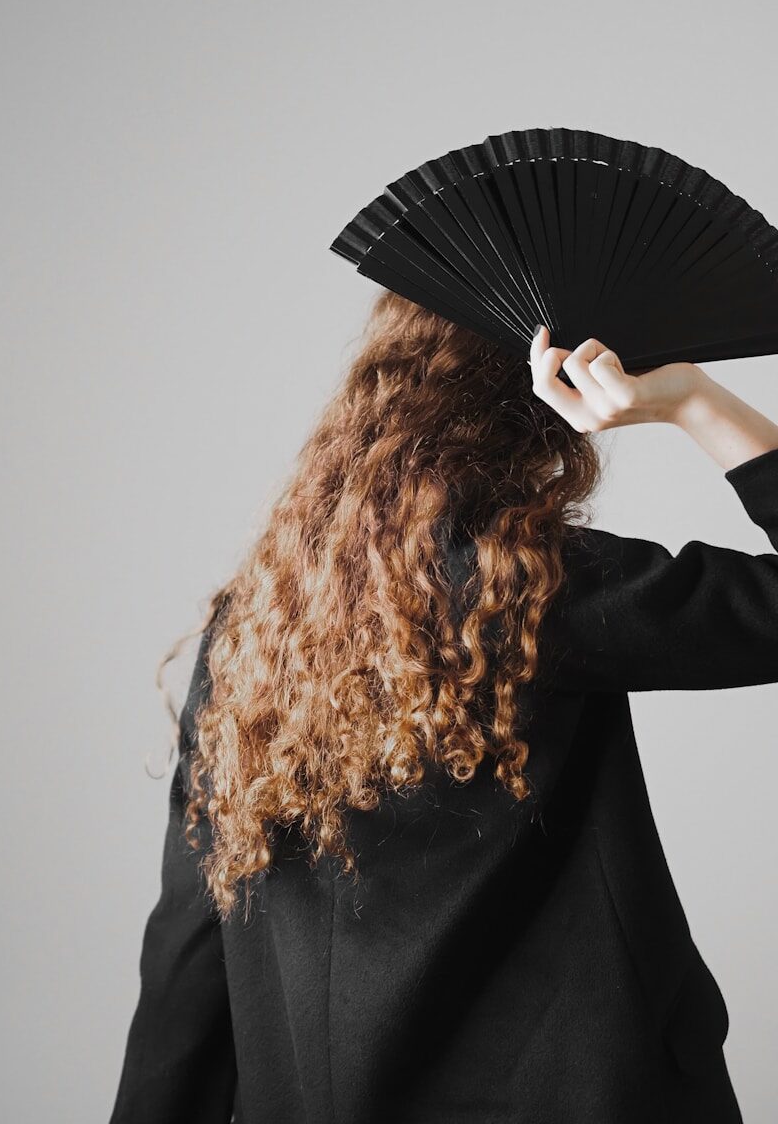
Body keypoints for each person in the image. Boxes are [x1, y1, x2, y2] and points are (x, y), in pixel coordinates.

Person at [109, 291, 778, 1124]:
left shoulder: (252, 626)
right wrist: (695, 401)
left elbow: (192, 940)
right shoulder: (527, 589)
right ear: (535, 403)